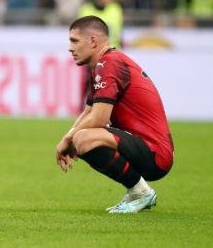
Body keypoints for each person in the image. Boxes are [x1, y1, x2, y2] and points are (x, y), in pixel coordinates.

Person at [55, 15, 174, 213]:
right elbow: (89, 111)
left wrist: (68, 138)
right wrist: (68, 137)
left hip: (155, 152)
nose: (70, 48)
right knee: (81, 137)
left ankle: (141, 192)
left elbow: (99, 119)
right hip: (146, 147)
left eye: (74, 41)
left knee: (83, 138)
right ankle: (136, 192)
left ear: (93, 41)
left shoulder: (109, 64)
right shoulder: (104, 64)